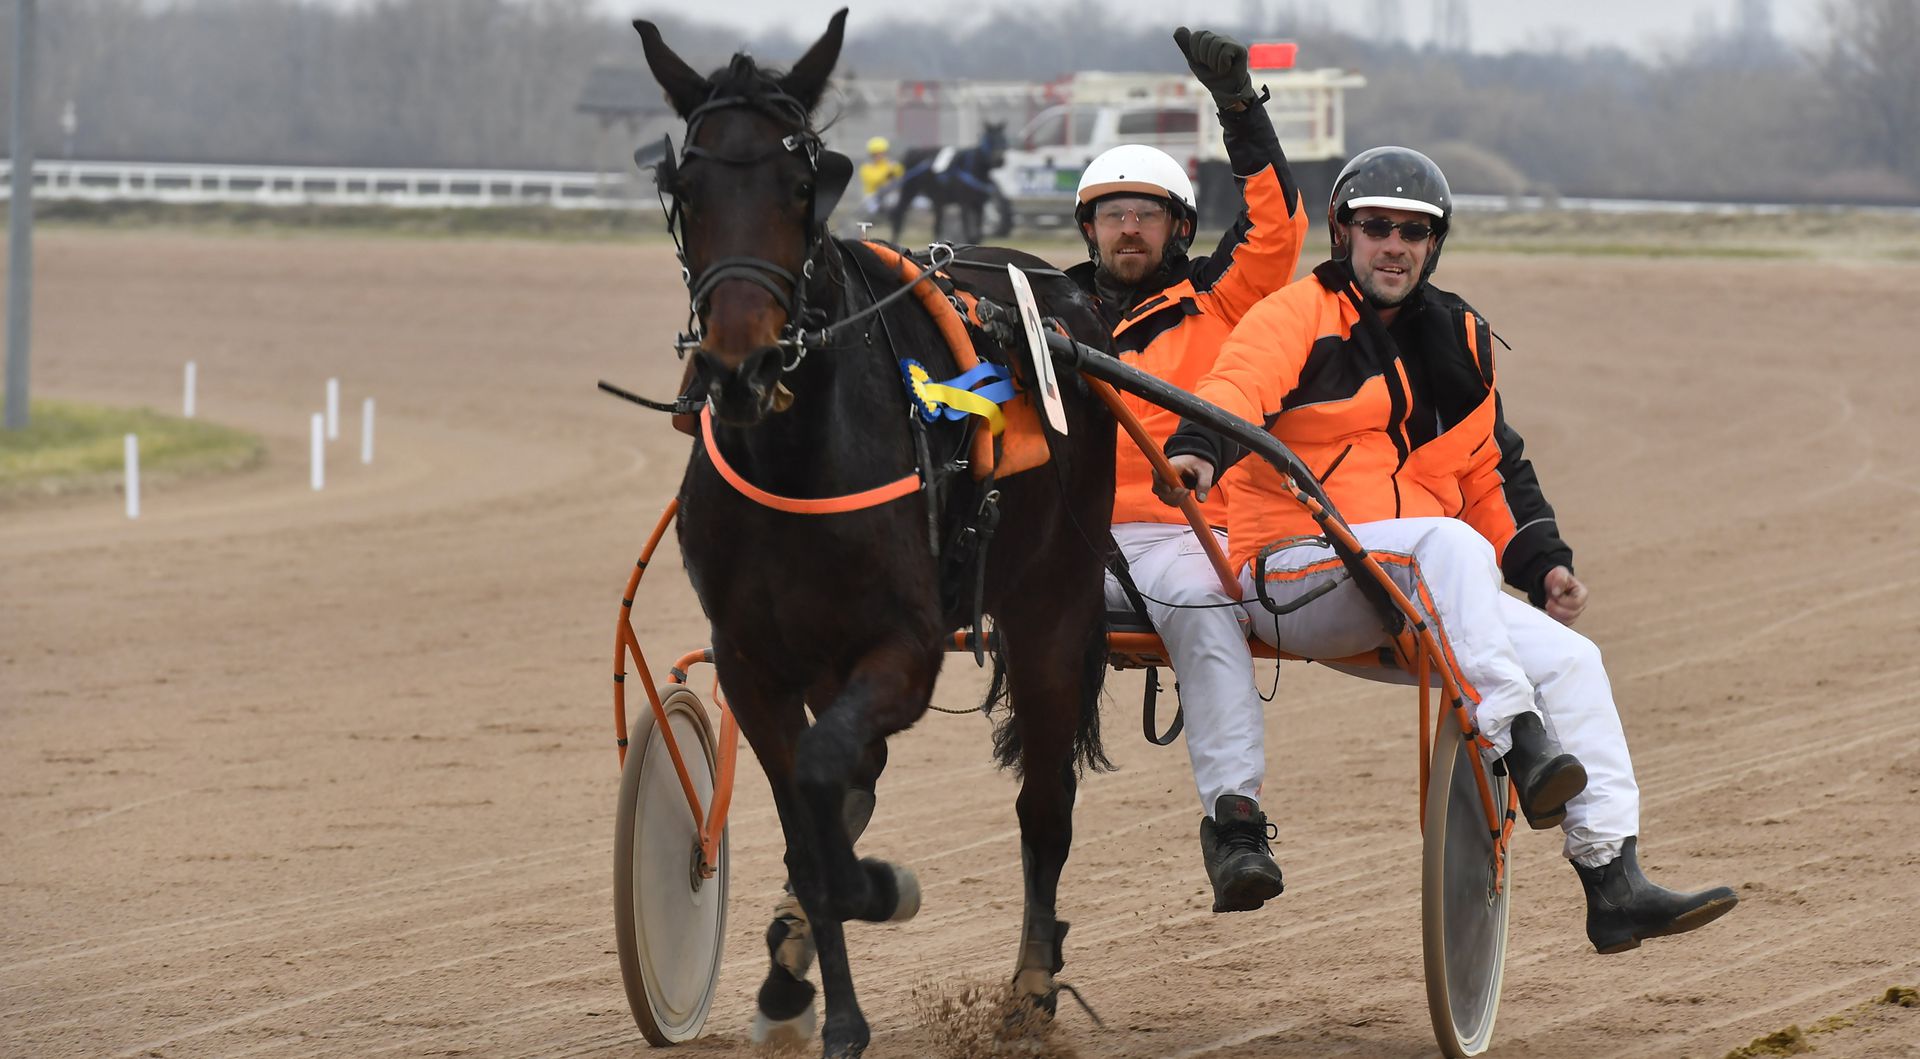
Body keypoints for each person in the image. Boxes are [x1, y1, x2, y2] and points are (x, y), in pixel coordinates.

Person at [1159, 146, 1739, 953]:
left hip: (1420, 590)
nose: (1394, 244)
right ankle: (1520, 737)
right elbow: (1231, 392)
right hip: (1294, 577)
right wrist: (1196, 446)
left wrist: (1543, 562)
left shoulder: (1460, 337)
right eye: (1376, 227)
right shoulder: (1293, 316)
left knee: (1574, 659)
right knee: (1448, 543)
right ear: (1343, 232)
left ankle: (1611, 878)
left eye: (1413, 231)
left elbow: (1491, 468)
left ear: (1435, 243)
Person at [1069, 27, 1309, 913]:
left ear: (1177, 226)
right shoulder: (1042, 315)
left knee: (1206, 609)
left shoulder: (1223, 299)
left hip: (1176, 535)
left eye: (1147, 212)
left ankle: (1235, 824)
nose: (1129, 227)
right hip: (1056, 535)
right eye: (1113, 212)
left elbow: (1279, 227)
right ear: (1089, 226)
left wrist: (1240, 107)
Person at [858, 135, 904, 215]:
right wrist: (887, 173)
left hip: (888, 194)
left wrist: (895, 171)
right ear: (871, 154)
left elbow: (901, 174)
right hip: (872, 195)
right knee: (871, 209)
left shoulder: (891, 164)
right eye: (876, 153)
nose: (879, 155)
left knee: (893, 200)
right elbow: (873, 181)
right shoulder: (866, 167)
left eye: (882, 153)